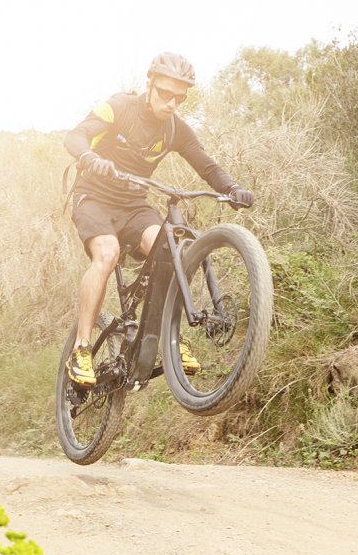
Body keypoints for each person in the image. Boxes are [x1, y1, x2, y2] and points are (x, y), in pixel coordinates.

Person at [62, 51, 254, 387]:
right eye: (166, 93)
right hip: (93, 198)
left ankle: (170, 335)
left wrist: (233, 188)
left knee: (171, 250)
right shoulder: (119, 107)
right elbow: (74, 136)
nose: (172, 102)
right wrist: (90, 157)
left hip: (134, 204)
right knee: (106, 254)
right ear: (149, 85)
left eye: (180, 97)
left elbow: (206, 166)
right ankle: (80, 349)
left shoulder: (175, 129)